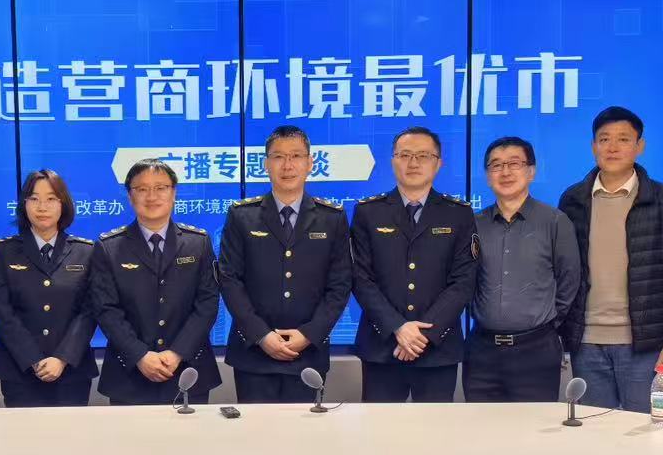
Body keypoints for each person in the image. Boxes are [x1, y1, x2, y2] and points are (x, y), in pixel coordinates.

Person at [558, 106, 663, 413]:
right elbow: (562, 271)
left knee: (646, 429)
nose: (612, 147)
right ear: (593, 146)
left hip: (645, 345)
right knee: (594, 430)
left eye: (623, 139)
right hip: (586, 342)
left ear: (639, 146)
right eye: (604, 139)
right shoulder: (573, 200)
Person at [217, 125, 353, 404]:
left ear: (310, 163)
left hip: (309, 352)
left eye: (296, 156)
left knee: (306, 431)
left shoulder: (332, 217)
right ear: (266, 164)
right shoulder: (242, 216)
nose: (287, 165)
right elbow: (230, 280)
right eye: (278, 157)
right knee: (255, 431)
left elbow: (340, 285)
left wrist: (309, 334)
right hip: (253, 352)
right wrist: (261, 335)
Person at [349, 126, 477, 403]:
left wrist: (421, 335)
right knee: (378, 428)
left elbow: (464, 281)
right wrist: (398, 327)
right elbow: (360, 278)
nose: (413, 163)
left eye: (423, 156)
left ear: (438, 163)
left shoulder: (459, 214)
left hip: (437, 348)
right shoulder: (368, 212)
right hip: (382, 346)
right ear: (393, 161)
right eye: (405, 155)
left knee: (435, 429)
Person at [89, 160, 221, 406]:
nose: (152, 196)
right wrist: (140, 355)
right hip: (129, 375)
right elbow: (106, 310)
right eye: (142, 189)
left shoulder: (198, 242)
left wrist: (177, 352)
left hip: (187, 370)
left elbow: (207, 304)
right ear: (130, 196)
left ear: (174, 193)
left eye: (161, 188)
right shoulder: (109, 247)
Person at [464, 135, 582, 403]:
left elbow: (569, 280)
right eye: (496, 165)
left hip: (536, 351)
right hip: (482, 351)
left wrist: (545, 324)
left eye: (514, 163)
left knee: (534, 427)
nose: (505, 172)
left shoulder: (555, 221)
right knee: (479, 425)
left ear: (531, 171)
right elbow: (464, 281)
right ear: (487, 176)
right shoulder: (473, 224)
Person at [0, 169, 98, 408]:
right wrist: (33, 358)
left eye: (51, 199)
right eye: (34, 199)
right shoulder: (5, 251)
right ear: (24, 205)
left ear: (63, 204)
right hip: (19, 370)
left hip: (72, 371)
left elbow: (89, 312)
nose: (42, 207)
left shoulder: (85, 251)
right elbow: (0, 310)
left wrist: (62, 358)